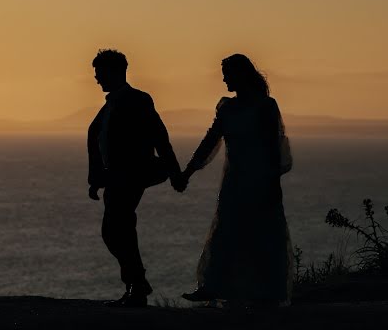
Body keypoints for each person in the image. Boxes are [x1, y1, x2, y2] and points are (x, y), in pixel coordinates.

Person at [173, 53, 294, 305]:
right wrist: (188, 171)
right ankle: (214, 287)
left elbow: (274, 146)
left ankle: (264, 292)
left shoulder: (265, 106)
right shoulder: (227, 108)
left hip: (261, 180)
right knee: (227, 232)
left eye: (228, 75)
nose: (225, 80)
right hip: (235, 182)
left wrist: (272, 181)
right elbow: (210, 142)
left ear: (242, 75)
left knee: (261, 234)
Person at [88, 49, 182, 307]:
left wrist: (174, 172)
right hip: (115, 177)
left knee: (117, 229)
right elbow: (96, 140)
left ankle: (136, 285)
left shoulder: (138, 99)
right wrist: (95, 178)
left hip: (131, 175)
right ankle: (136, 284)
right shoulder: (110, 104)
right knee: (116, 231)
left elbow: (159, 136)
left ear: (117, 72)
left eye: (100, 73)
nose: (96, 79)